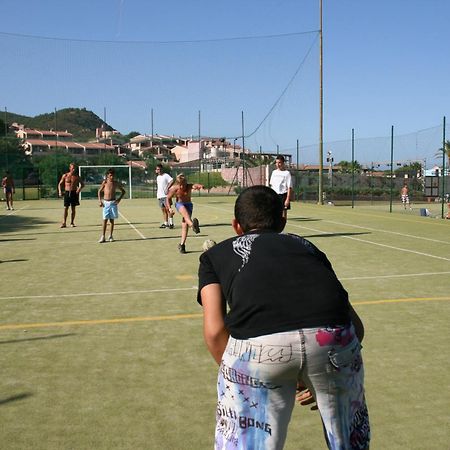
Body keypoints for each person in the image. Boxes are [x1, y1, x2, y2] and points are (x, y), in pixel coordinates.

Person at [197, 185, 370, 450]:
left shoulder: (214, 256)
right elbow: (356, 327)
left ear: (236, 226)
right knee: (351, 442)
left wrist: (251, 378)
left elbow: (214, 332)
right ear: (283, 220)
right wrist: (316, 373)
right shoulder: (308, 247)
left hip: (257, 348)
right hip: (335, 340)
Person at [165, 173, 202, 254]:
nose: (183, 187)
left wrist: (200, 186)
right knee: (185, 215)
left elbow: (195, 185)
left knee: (185, 225)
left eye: (184, 184)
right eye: (181, 185)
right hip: (179, 204)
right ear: (178, 184)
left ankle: (182, 245)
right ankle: (193, 226)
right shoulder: (174, 188)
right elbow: (167, 198)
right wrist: (170, 208)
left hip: (189, 205)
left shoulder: (188, 186)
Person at [97, 168, 125, 243]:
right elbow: (99, 191)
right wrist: (100, 201)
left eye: (113, 175)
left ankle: (110, 236)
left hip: (113, 203)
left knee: (112, 220)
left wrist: (119, 199)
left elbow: (123, 191)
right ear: (107, 176)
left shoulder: (115, 183)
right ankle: (103, 236)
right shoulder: (105, 182)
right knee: (105, 220)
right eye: (110, 175)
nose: (112, 177)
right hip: (105, 203)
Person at [58, 162, 85, 227]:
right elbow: (60, 184)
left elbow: (82, 184)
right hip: (67, 193)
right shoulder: (65, 175)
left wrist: (78, 190)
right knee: (65, 208)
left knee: (73, 209)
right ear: (70, 168)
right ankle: (64, 222)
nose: (73, 170)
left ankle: (72, 222)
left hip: (74, 193)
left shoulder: (77, 176)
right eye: (72, 168)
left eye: (74, 168)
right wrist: (60, 191)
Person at [269, 155, 293, 220]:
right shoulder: (274, 172)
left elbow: (289, 187)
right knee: (274, 213)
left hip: (283, 195)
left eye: (279, 162)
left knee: (283, 214)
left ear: (283, 163)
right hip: (274, 195)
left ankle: (282, 227)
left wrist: (287, 199)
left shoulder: (287, 173)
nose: (278, 164)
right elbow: (271, 185)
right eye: (276, 162)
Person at [155, 163, 175, 229]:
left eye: (159, 169)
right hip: (160, 196)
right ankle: (166, 223)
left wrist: (167, 188)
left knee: (168, 209)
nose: (159, 170)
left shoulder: (166, 175)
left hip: (166, 196)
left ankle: (171, 223)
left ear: (162, 169)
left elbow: (172, 180)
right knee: (163, 210)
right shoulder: (158, 177)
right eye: (157, 169)